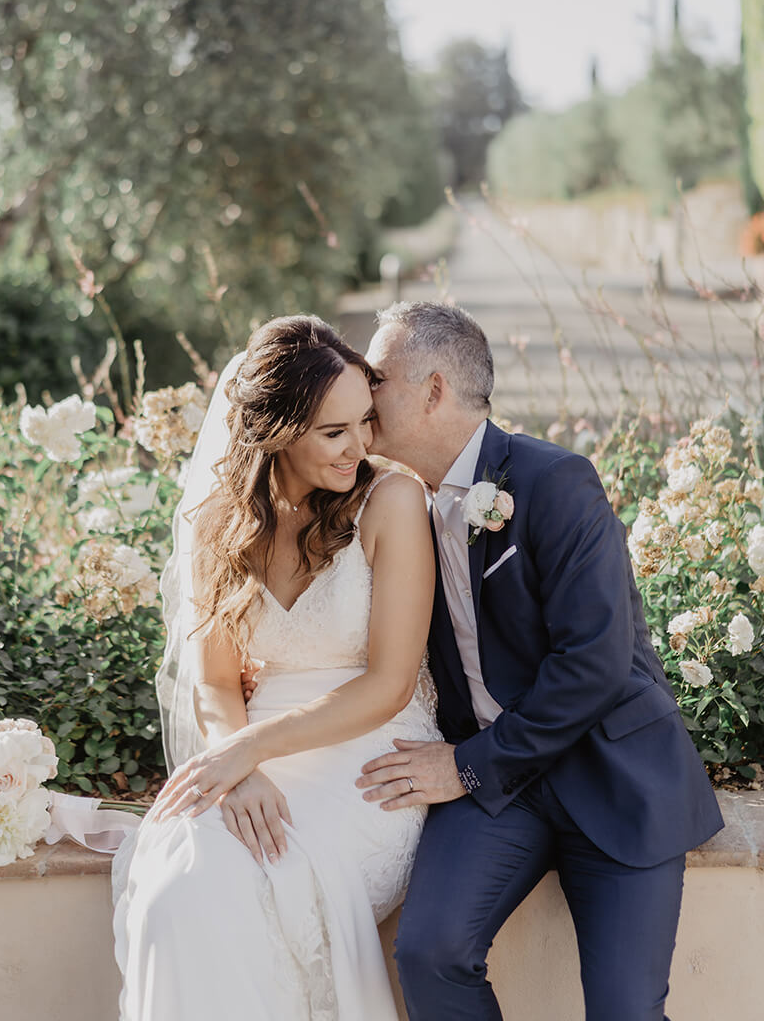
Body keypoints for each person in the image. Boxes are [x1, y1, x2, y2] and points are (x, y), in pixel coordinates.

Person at [355, 300, 724, 1021]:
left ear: (432, 389)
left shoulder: (555, 481)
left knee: (625, 1011)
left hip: (612, 775)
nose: (363, 393)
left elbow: (595, 662)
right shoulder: (391, 501)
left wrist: (466, 765)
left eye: (378, 376)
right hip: (500, 789)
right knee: (428, 954)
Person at [112, 315, 441, 1021]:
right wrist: (241, 770)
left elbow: (389, 685)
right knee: (178, 885)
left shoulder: (393, 501)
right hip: (247, 743)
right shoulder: (217, 522)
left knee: (262, 880)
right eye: (333, 432)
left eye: (366, 423)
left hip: (368, 751)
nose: (360, 445)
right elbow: (214, 681)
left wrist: (245, 752)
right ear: (277, 432)